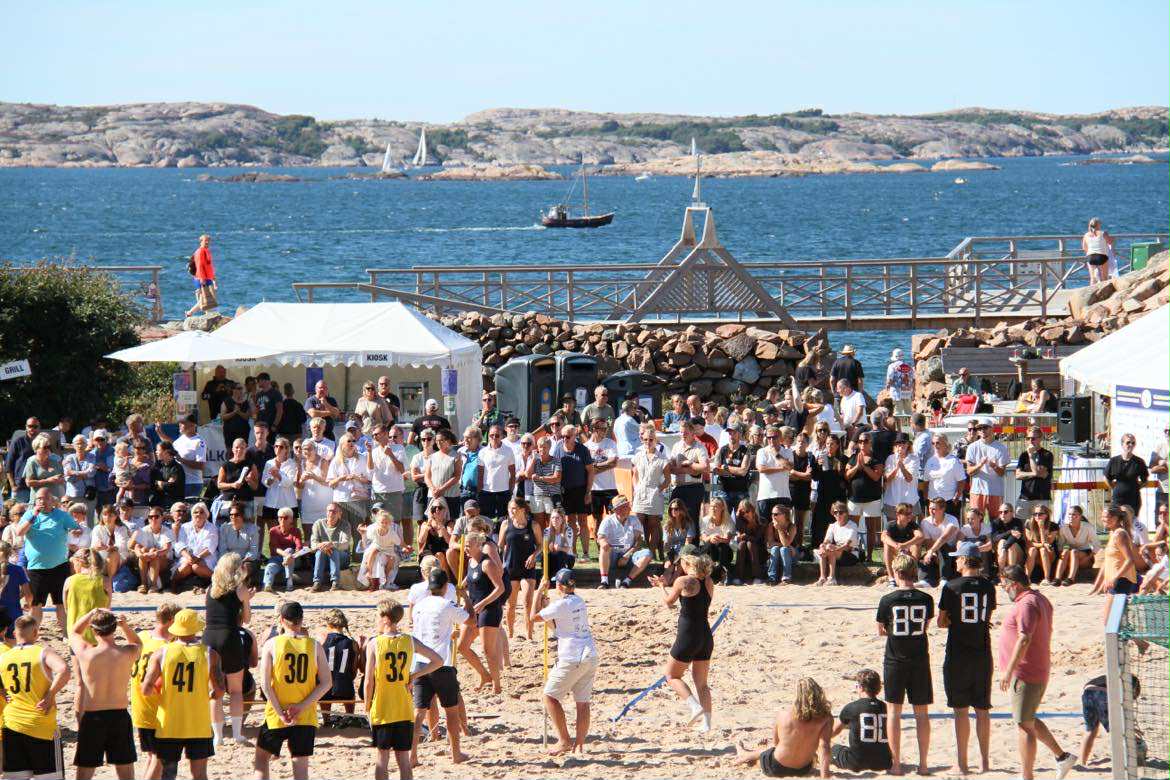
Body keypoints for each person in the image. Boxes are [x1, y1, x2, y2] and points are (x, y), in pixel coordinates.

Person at [997, 565, 1077, 780]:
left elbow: (1024, 638)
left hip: (1026, 672)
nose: (1004, 589)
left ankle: (1027, 775)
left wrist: (1009, 670)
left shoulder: (1027, 603)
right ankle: (1062, 757)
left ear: (1014, 584)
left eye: (1005, 584)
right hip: (1035, 668)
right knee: (1028, 718)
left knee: (1024, 726)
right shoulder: (1039, 598)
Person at [364, 600, 445, 780]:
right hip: (404, 708)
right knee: (403, 760)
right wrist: (415, 675)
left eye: (378, 616)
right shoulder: (409, 640)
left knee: (381, 758)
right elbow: (438, 660)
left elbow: (368, 681)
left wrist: (366, 706)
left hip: (383, 707)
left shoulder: (374, 644)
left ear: (385, 619)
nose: (376, 620)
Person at [141, 608, 225, 780]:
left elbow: (146, 689)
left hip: (169, 723)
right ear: (196, 629)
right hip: (199, 723)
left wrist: (162, 693)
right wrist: (210, 695)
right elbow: (220, 690)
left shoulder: (161, 653)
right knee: (200, 774)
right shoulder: (210, 654)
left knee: (168, 773)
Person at [254, 601, 332, 780]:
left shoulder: (272, 644)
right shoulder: (314, 645)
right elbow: (327, 683)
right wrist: (302, 706)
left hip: (277, 712)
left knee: (261, 760)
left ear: (281, 620)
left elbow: (265, 685)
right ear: (301, 620)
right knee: (300, 768)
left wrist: (280, 713)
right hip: (304, 715)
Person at [938, 541, 997, 775]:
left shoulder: (951, 587)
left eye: (957, 558)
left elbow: (942, 621)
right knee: (983, 710)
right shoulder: (988, 586)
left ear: (963, 560)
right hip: (982, 651)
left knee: (960, 710)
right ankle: (984, 762)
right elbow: (987, 614)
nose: (955, 561)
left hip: (959, 652)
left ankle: (962, 763)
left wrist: (953, 620)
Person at [876, 553, 934, 775]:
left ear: (897, 572)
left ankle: (896, 763)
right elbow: (926, 625)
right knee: (922, 714)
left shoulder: (887, 600)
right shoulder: (925, 599)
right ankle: (924, 764)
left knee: (894, 713)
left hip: (895, 659)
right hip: (919, 658)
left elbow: (881, 630)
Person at [68, 608, 142, 780]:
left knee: (85, 769)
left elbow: (74, 631)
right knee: (125, 771)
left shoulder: (86, 653)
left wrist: (91, 613)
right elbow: (138, 643)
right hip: (119, 715)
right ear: (114, 629)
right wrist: (125, 627)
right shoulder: (127, 652)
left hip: (93, 716)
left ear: (93, 630)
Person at [530, 568, 597, 756]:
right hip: (589, 654)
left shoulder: (561, 605)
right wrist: (547, 608)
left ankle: (564, 740)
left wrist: (538, 594)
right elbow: (558, 628)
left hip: (572, 656)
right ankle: (580, 744)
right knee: (582, 703)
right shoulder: (579, 601)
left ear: (559, 585)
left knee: (549, 697)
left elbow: (532, 617)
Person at [649, 549, 716, 732]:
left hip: (688, 634)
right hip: (705, 634)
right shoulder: (709, 581)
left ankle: (694, 707)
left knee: (671, 675)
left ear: (687, 562)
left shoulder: (683, 581)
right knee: (701, 683)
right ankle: (707, 724)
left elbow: (668, 603)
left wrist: (661, 587)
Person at [409, 569, 471, 767]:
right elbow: (470, 620)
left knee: (418, 713)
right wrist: (465, 597)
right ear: (445, 587)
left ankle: (412, 756)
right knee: (451, 711)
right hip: (442, 663)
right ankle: (456, 754)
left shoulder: (418, 605)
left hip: (420, 662)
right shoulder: (446, 604)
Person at [0, 615, 71, 780]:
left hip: (12, 725)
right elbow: (64, 670)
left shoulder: (4, 657)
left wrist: (2, 691)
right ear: (35, 633)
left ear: (15, 633)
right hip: (40, 725)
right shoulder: (42, 652)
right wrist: (50, 695)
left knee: (15, 777)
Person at [730, 677, 833, 779]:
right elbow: (824, 748)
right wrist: (825, 777)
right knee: (772, 751)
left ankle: (744, 754)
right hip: (802, 769)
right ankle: (746, 754)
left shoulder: (782, 715)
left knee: (766, 754)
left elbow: (776, 744)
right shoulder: (826, 718)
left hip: (777, 767)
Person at [204, 553, 253, 745]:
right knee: (235, 691)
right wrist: (247, 600)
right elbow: (247, 619)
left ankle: (218, 736)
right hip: (229, 636)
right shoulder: (240, 588)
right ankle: (237, 734)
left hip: (209, 637)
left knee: (215, 691)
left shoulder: (211, 589)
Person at [15, 487, 79, 627]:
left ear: (52, 500)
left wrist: (77, 531)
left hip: (59, 566)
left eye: (44, 498)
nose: (41, 501)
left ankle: (65, 634)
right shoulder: (29, 515)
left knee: (61, 603)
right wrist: (34, 516)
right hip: (36, 568)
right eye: (38, 498)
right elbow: (19, 532)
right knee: (35, 605)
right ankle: (33, 634)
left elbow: (76, 527)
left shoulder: (61, 515)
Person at [131, 602, 180, 779]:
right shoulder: (168, 648)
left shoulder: (142, 637)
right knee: (159, 759)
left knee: (152, 757)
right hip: (156, 709)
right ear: (171, 621)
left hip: (140, 708)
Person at [462, 530, 507, 693]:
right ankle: (484, 675)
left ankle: (497, 684)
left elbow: (500, 588)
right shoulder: (470, 562)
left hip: (489, 609)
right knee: (462, 646)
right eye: (465, 546)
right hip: (474, 610)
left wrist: (483, 603)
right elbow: (469, 580)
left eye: (468, 546)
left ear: (478, 545)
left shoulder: (487, 563)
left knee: (488, 650)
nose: (466, 549)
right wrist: (461, 587)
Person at [831, 669, 893, 773]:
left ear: (860, 687)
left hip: (857, 763)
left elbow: (834, 731)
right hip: (884, 762)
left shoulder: (851, 708)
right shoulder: (885, 707)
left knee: (826, 744)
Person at [498, 497, 539, 638]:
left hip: (528, 567)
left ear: (522, 509)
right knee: (511, 604)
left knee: (528, 602)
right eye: (510, 508)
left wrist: (534, 555)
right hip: (511, 566)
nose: (511, 511)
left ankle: (529, 635)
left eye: (514, 508)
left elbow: (540, 545)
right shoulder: (505, 524)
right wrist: (501, 563)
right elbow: (500, 545)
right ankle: (510, 634)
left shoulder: (533, 525)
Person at [553, 425, 593, 562]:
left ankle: (586, 553)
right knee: (570, 522)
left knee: (583, 521)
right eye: (563, 436)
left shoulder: (583, 450)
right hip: (565, 491)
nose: (564, 439)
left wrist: (588, 492)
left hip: (581, 489)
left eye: (568, 436)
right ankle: (573, 551)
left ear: (574, 436)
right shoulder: (558, 448)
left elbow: (591, 471)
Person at [631, 423, 670, 560]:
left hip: (654, 494)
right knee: (638, 523)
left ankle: (652, 553)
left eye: (651, 439)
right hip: (640, 493)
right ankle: (639, 552)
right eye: (645, 439)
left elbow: (667, 480)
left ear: (656, 440)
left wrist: (659, 489)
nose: (648, 442)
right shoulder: (638, 455)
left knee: (653, 525)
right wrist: (636, 488)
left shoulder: (662, 458)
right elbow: (634, 473)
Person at [596, 496, 651, 589]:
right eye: (626, 506)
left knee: (648, 553)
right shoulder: (608, 520)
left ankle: (627, 581)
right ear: (617, 509)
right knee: (603, 547)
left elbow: (639, 540)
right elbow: (600, 538)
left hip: (629, 554)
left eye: (628, 505)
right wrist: (604, 544)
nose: (629, 508)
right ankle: (604, 581)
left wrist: (628, 555)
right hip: (612, 553)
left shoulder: (634, 519)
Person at [846, 431, 885, 562]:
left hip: (872, 499)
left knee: (871, 529)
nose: (862, 444)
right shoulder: (853, 457)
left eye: (865, 441)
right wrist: (857, 466)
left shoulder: (877, 458)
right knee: (852, 528)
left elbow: (876, 476)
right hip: (854, 499)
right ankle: (853, 555)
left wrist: (864, 467)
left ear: (870, 443)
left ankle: (869, 557)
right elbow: (847, 475)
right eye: (860, 441)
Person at [669, 420, 709, 538]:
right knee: (673, 513)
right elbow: (671, 467)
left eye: (685, 432)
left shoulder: (699, 447)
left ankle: (694, 548)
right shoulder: (676, 446)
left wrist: (690, 464)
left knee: (692, 517)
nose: (683, 434)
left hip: (694, 487)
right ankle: (675, 543)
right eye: (681, 432)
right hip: (679, 486)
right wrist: (689, 470)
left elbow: (705, 467)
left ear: (692, 433)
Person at [64, 547, 111, 644]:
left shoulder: (69, 581)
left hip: (76, 635)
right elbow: (107, 608)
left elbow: (67, 610)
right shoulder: (105, 581)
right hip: (99, 634)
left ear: (78, 562)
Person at [156, 415, 207, 500]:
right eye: (179, 423)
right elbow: (170, 445)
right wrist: (160, 433)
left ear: (192, 425)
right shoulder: (181, 439)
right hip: (179, 483)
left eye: (183, 423)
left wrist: (182, 460)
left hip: (192, 484)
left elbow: (201, 466)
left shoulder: (199, 442)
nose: (179, 424)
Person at [965, 422, 1009, 518]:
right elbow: (969, 471)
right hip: (977, 491)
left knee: (997, 522)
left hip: (996, 491)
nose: (982, 430)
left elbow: (1002, 473)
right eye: (979, 428)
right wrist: (980, 465)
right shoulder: (972, 447)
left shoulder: (1001, 448)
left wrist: (993, 466)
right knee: (975, 521)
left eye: (985, 427)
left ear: (992, 429)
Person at [172, 502, 217, 592]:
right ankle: (173, 585)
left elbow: (210, 548)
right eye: (195, 512)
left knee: (196, 567)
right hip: (188, 557)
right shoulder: (185, 527)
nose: (198, 514)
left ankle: (216, 582)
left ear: (206, 515)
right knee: (185, 566)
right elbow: (179, 544)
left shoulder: (212, 528)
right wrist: (188, 557)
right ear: (192, 514)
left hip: (206, 557)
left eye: (201, 512)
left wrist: (197, 558)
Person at [815, 501, 861, 586]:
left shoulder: (852, 525)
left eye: (841, 512)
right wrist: (823, 547)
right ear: (833, 513)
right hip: (837, 553)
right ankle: (822, 577)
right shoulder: (833, 526)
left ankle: (832, 578)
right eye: (836, 512)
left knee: (830, 549)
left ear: (846, 513)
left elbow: (847, 546)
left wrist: (831, 549)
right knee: (824, 547)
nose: (838, 515)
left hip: (851, 555)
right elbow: (826, 541)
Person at [1105, 434, 1150, 516]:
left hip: (1133, 499)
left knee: (1131, 524)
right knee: (1116, 522)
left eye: (1133, 443)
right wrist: (1115, 488)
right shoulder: (1114, 460)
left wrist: (1135, 488)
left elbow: (1145, 481)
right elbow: (1107, 478)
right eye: (1128, 442)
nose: (1131, 445)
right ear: (1122, 444)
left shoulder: (1139, 462)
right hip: (1118, 499)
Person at [311, 504, 352, 592]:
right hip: (323, 556)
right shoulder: (318, 524)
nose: (331, 513)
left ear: (339, 514)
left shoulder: (345, 525)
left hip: (342, 557)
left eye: (334, 511)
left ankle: (335, 582)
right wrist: (323, 546)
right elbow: (313, 544)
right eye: (329, 511)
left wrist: (332, 544)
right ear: (326, 512)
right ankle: (317, 582)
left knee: (334, 551)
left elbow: (345, 544)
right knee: (320, 552)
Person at [880, 503, 924, 587]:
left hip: (908, 553)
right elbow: (883, 537)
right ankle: (891, 578)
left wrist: (905, 545)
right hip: (895, 552)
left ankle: (912, 575)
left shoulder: (913, 525)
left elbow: (920, 536)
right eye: (907, 514)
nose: (910, 516)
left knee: (915, 546)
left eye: (911, 513)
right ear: (898, 514)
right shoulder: (891, 525)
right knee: (887, 545)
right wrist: (896, 545)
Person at [1054, 505, 1098, 586]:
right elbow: (1061, 545)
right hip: (1070, 555)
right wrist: (1065, 550)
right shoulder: (1064, 528)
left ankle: (1071, 578)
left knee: (1074, 551)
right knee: (1066, 551)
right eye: (1069, 514)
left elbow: (1096, 545)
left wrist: (1087, 558)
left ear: (1080, 516)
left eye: (1074, 515)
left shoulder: (1088, 527)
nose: (1071, 517)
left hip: (1085, 555)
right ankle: (1057, 578)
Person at [923, 434, 966, 518]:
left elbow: (961, 481)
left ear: (946, 444)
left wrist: (956, 497)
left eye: (938, 443)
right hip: (933, 502)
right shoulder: (930, 461)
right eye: (933, 443)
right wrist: (926, 499)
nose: (935, 445)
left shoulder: (954, 461)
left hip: (950, 502)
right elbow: (926, 482)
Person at [699, 496, 736, 579]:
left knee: (722, 546)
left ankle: (721, 571)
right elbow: (704, 538)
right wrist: (711, 537)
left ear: (722, 508)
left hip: (723, 550)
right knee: (710, 544)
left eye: (716, 506)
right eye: (711, 506)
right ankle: (713, 573)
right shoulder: (705, 520)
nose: (713, 508)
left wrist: (719, 539)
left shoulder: (729, 521)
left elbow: (727, 539)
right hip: (708, 549)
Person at [1023, 505, 1060, 585]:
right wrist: (1042, 544)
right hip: (1035, 554)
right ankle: (1027, 578)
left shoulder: (1053, 526)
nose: (1037, 516)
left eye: (1040, 514)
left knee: (1043, 550)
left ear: (1046, 515)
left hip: (1049, 554)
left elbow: (1049, 543)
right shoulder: (1029, 524)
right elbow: (1030, 543)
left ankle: (1046, 578)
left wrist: (1041, 528)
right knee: (1033, 549)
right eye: (1035, 514)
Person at [764, 504, 798, 585]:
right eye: (772, 514)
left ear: (784, 515)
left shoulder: (792, 526)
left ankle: (786, 578)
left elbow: (785, 543)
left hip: (791, 556)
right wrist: (789, 546)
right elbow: (771, 543)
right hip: (778, 555)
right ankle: (772, 578)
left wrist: (779, 529)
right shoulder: (771, 526)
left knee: (784, 549)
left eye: (776, 514)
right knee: (775, 548)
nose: (773, 516)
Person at [186, 233, 217, 316]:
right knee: (205, 299)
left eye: (208, 241)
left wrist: (213, 276)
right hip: (201, 278)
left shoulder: (207, 251)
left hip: (207, 277)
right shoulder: (200, 252)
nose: (207, 242)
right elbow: (200, 265)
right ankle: (192, 312)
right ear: (200, 242)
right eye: (205, 241)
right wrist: (202, 278)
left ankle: (191, 313)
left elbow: (209, 265)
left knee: (206, 299)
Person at [1081, 217, 1114, 285]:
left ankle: (1091, 293)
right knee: (1104, 278)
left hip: (1090, 257)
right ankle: (1105, 293)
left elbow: (1084, 248)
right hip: (1102, 256)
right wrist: (1112, 239)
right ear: (1098, 225)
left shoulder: (1086, 235)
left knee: (1092, 278)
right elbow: (1110, 242)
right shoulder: (1103, 233)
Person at [884, 349, 915, 416]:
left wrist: (887, 386)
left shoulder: (892, 366)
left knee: (897, 412)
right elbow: (912, 379)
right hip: (907, 391)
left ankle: (898, 426)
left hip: (896, 393)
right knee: (908, 412)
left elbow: (890, 379)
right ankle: (909, 425)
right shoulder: (908, 366)